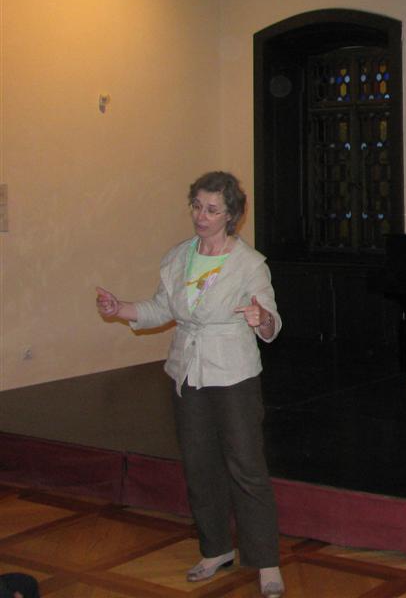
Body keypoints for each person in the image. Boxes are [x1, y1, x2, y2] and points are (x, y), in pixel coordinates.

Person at [96, 171, 285, 598]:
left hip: (232, 372)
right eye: (197, 206)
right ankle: (215, 549)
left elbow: (272, 320)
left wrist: (262, 319)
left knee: (246, 467)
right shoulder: (178, 257)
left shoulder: (249, 264)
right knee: (199, 465)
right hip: (187, 370)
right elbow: (161, 308)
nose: (201, 215)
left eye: (212, 209)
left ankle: (266, 560)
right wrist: (120, 308)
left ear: (231, 215)